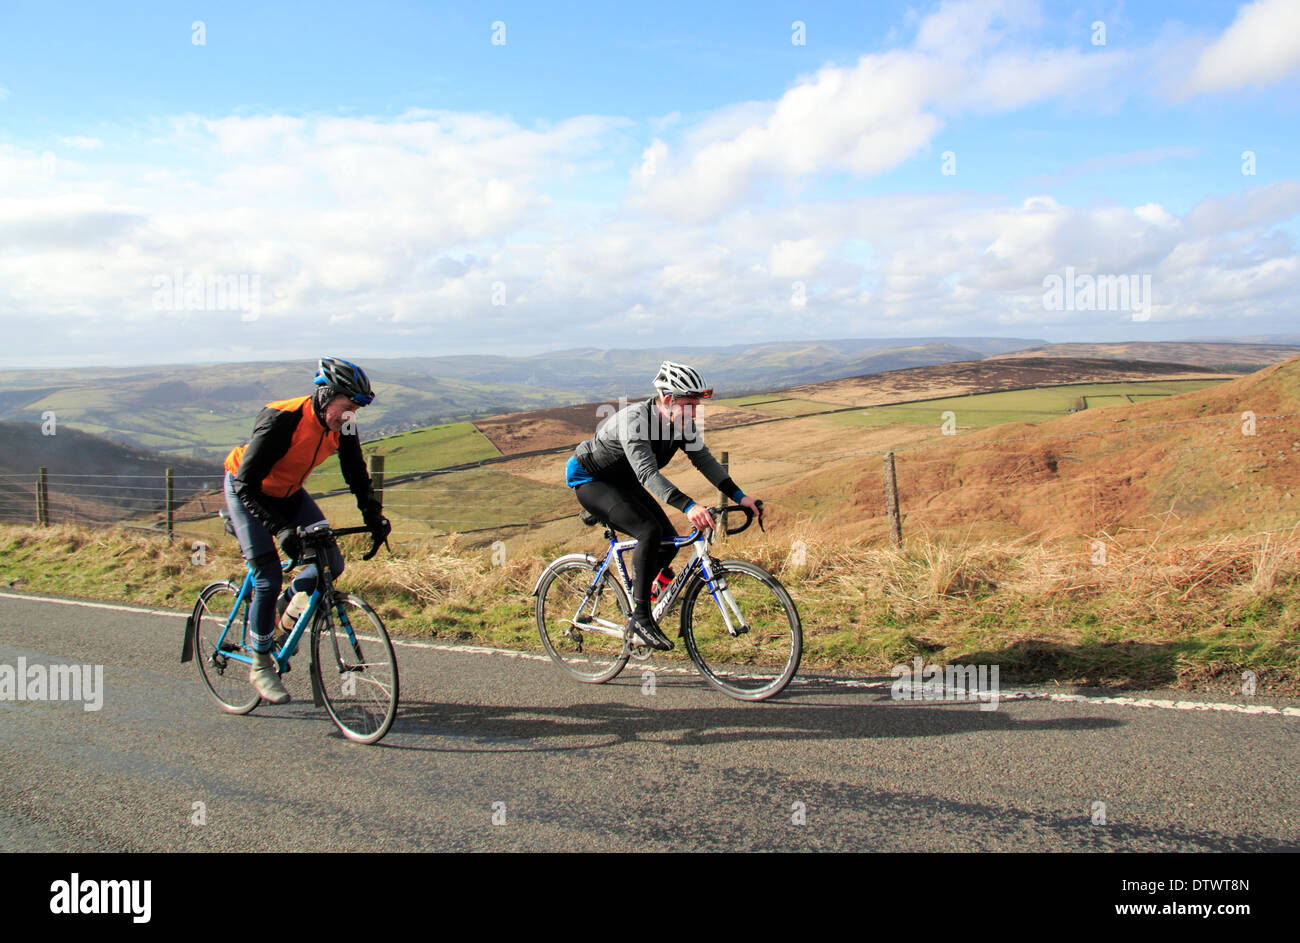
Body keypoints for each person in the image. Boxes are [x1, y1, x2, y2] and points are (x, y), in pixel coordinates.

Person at [223, 356, 390, 704]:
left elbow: (356, 473)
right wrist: (279, 529)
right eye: (346, 407)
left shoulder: (342, 426)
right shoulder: (281, 419)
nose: (350, 418)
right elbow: (245, 483)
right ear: (327, 395)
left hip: (288, 493)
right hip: (249, 492)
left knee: (331, 562)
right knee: (268, 573)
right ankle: (260, 663)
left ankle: (286, 613)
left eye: (356, 411)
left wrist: (373, 516)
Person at [565, 360, 764, 651]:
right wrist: (689, 507)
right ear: (668, 400)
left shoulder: (681, 423)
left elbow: (704, 460)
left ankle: (639, 590)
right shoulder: (636, 422)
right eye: (689, 404)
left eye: (696, 405)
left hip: (625, 482)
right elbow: (647, 474)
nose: (694, 412)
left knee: (668, 542)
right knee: (648, 531)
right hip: (591, 479)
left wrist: (740, 496)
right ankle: (641, 617)